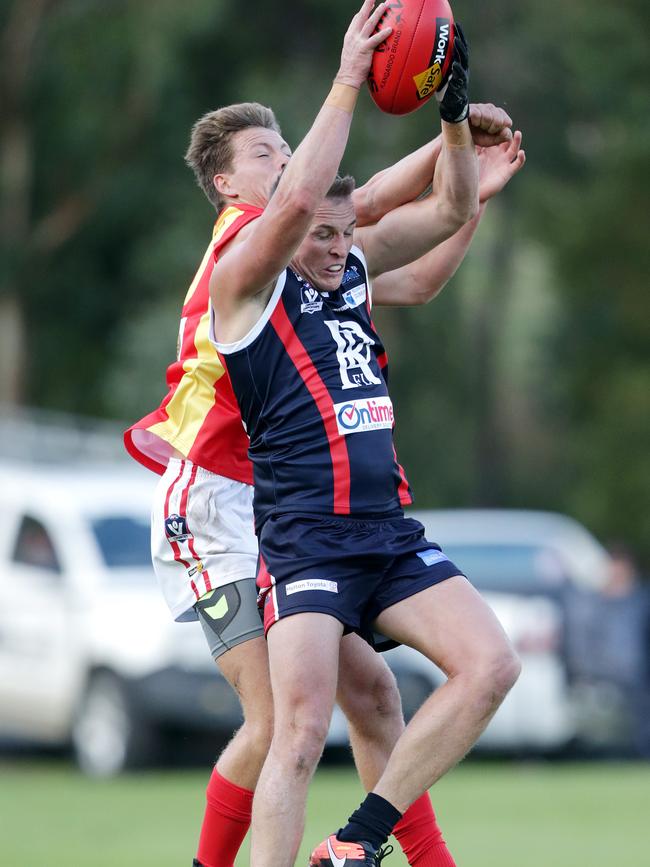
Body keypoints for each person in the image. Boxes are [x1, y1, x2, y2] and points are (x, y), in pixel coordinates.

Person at [125, 5, 525, 866]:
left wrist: (453, 123)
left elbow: (385, 229)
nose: (288, 157)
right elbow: (341, 196)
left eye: (285, 145)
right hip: (224, 496)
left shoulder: (327, 252)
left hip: (329, 506)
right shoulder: (251, 242)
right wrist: (365, 82)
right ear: (234, 187)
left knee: (377, 696)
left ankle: (373, 849)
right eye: (266, 152)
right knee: (281, 724)